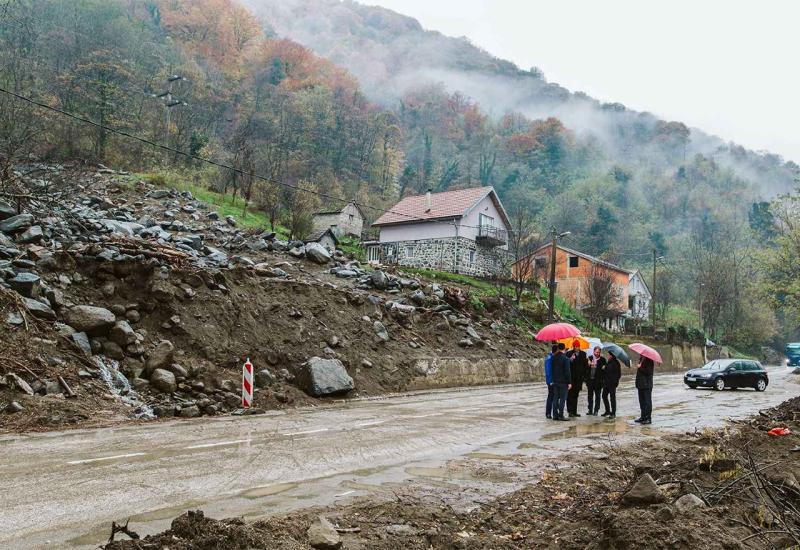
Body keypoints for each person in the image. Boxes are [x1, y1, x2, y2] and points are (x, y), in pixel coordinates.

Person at [565, 340, 588, 417]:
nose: (576, 348)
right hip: (571, 378)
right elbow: (566, 365)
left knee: (576, 395)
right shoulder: (568, 354)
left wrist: (584, 377)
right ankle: (570, 411)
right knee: (569, 395)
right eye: (575, 346)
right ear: (573, 346)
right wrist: (571, 359)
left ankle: (574, 411)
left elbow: (585, 366)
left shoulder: (583, 354)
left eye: (577, 346)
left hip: (579, 379)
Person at [551, 343, 572, 421]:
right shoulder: (565, 359)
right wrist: (569, 382)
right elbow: (567, 372)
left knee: (555, 398)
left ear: (558, 348)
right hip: (563, 382)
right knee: (563, 399)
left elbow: (552, 369)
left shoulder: (553, 358)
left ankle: (555, 415)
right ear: (564, 348)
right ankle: (561, 415)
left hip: (555, 381)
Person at [585, 346, 606, 416]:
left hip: (598, 382)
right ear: (593, 351)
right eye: (596, 352)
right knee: (590, 396)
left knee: (598, 396)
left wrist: (597, 366)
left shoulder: (602, 360)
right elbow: (585, 370)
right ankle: (590, 410)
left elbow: (604, 371)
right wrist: (588, 365)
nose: (597, 353)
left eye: (599, 352)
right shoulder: (589, 358)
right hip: (590, 381)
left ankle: (596, 410)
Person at [635, 355, 655, 425]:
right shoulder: (641, 359)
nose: (640, 354)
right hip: (640, 384)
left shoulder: (649, 360)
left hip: (647, 385)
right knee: (642, 402)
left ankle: (648, 418)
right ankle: (643, 417)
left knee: (647, 402)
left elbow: (648, 372)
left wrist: (640, 367)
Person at [602, 351, 621, 419]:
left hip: (612, 384)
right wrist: (604, 368)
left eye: (609, 355)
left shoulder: (616, 363)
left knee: (612, 398)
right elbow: (606, 372)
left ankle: (613, 413)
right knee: (604, 396)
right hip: (606, 383)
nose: (607, 356)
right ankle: (607, 411)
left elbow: (618, 374)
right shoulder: (608, 362)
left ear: (612, 356)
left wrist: (615, 382)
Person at [544, 344, 557, 419]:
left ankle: (550, 412)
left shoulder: (552, 357)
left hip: (553, 380)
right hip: (551, 381)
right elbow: (548, 372)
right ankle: (548, 413)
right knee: (551, 396)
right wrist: (551, 381)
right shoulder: (549, 358)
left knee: (553, 396)